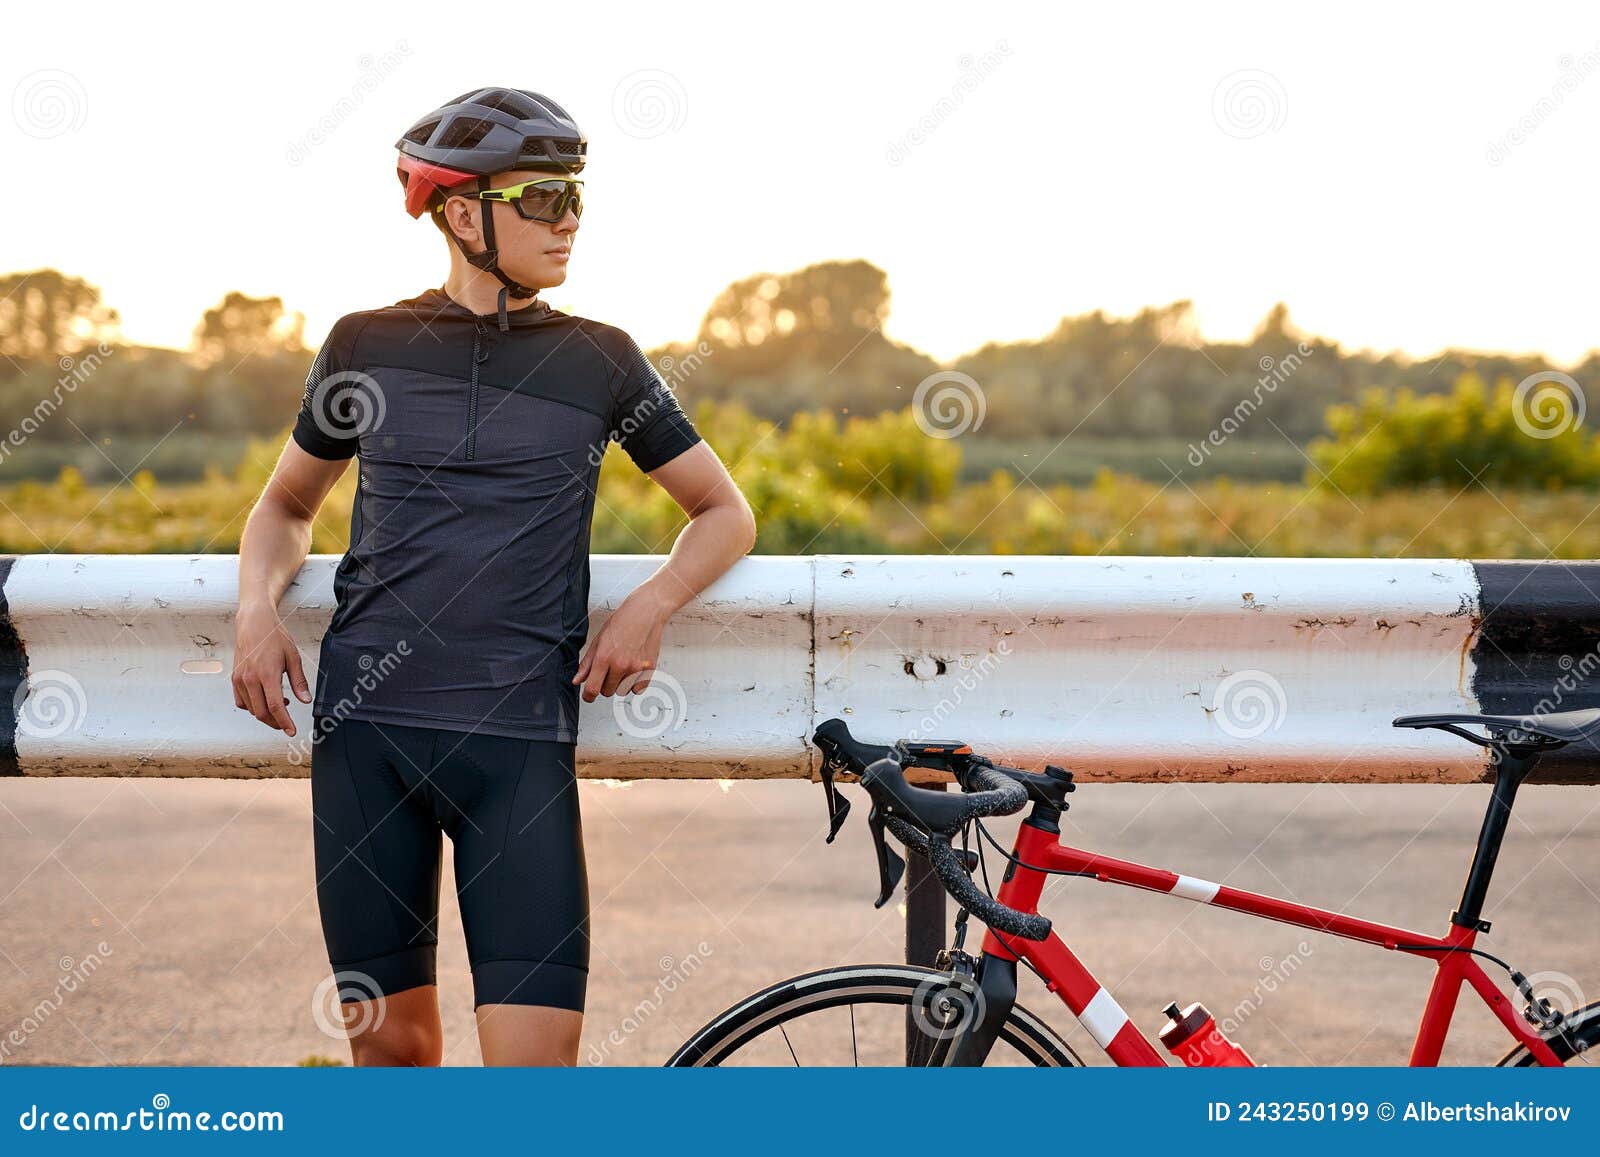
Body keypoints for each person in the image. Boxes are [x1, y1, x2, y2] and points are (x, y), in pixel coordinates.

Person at [231, 88, 757, 1066]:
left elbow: (725, 513)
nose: (569, 222)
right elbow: (286, 507)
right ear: (461, 211)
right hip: (367, 740)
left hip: (517, 746)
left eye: (577, 198)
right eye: (544, 198)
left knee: (531, 1081)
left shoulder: (599, 358)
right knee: (392, 1061)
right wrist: (255, 610)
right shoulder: (362, 344)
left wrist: (651, 603)